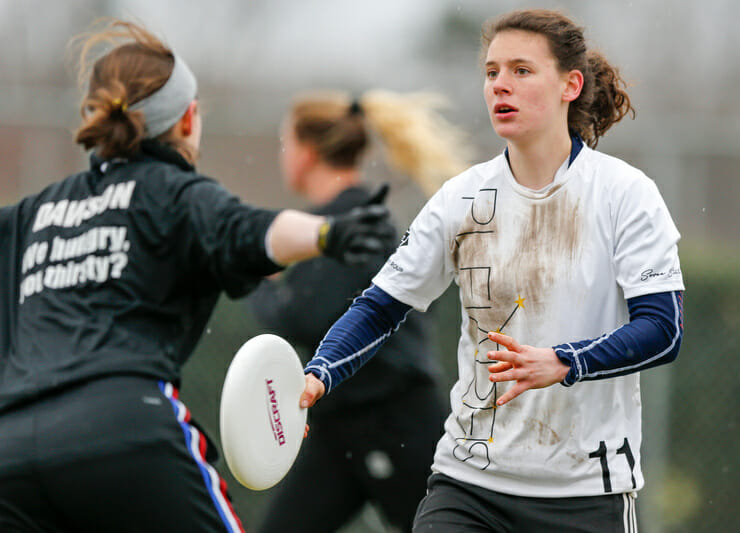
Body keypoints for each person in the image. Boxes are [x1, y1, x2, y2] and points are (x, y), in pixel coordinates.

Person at [0, 19, 395, 533]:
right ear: (188, 119)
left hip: (9, 452)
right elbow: (257, 231)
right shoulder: (173, 192)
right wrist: (329, 234)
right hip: (123, 431)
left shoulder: (32, 213)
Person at [299, 9, 685, 533]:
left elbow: (663, 331)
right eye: (491, 72)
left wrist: (564, 362)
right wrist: (321, 371)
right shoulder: (459, 199)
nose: (501, 84)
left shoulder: (626, 195)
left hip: (586, 493)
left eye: (522, 70)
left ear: (571, 84)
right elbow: (379, 307)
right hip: (469, 485)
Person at [249, 89, 468, 532]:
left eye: (285, 142)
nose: (283, 155)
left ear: (307, 152)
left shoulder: (350, 222)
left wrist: (264, 284)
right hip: (340, 424)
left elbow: (307, 315)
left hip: (397, 420)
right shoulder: (336, 221)